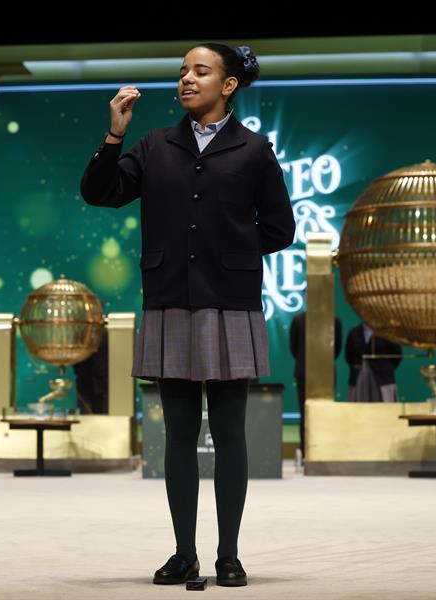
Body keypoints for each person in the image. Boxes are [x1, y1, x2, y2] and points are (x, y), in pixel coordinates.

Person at [80, 43, 295, 587]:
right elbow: (100, 192)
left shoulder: (253, 149)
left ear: (228, 85)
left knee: (230, 434)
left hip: (229, 299)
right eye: (182, 71)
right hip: (170, 298)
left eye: (201, 71)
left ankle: (229, 555)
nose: (186, 79)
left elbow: (280, 228)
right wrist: (115, 132)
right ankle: (183, 553)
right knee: (176, 435)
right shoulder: (154, 145)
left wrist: (228, 250)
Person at [288, 311, 343, 457]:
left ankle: (325, 448)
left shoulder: (333, 319)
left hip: (326, 372)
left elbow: (337, 347)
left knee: (326, 410)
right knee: (304, 412)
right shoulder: (298, 319)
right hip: (303, 372)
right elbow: (294, 347)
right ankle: (305, 448)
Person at [345, 322, 403, 402]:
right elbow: (349, 356)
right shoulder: (354, 332)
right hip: (359, 378)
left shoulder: (387, 332)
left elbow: (397, 355)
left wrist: (385, 369)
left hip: (383, 379)